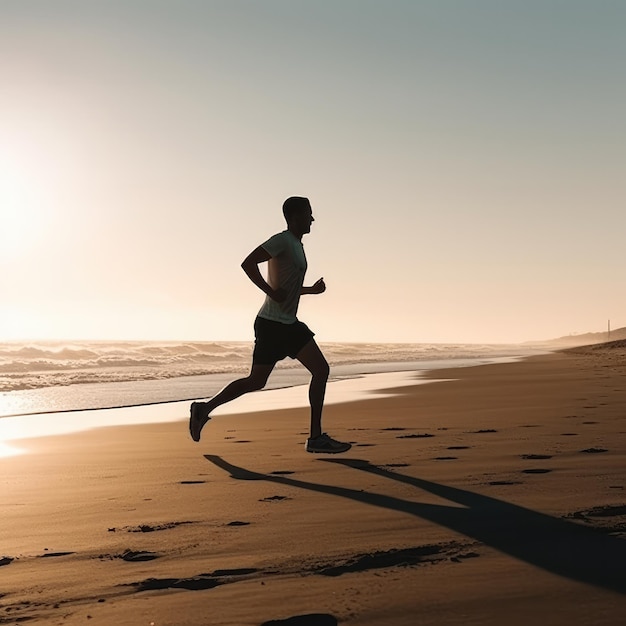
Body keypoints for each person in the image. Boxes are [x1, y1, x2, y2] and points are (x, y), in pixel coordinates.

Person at [189, 196, 351, 454]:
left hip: (287, 325)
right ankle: (204, 409)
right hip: (271, 325)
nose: (313, 218)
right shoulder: (283, 240)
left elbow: (287, 286)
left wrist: (309, 290)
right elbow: (248, 263)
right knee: (258, 381)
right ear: (295, 216)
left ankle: (316, 438)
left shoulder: (297, 245)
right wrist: (269, 291)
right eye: (309, 214)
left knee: (318, 370)